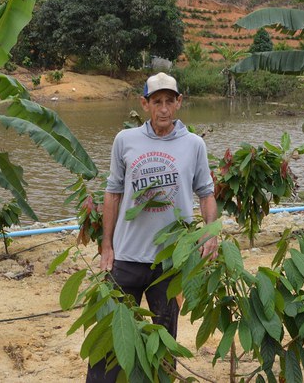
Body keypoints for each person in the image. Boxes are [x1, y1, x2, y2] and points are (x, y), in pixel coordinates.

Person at [87, 72, 219, 382]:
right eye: (156, 102)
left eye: (169, 101)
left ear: (179, 103)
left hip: (171, 262)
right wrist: (107, 245)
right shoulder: (125, 140)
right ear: (144, 104)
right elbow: (113, 192)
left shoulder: (194, 145)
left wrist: (211, 234)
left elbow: (207, 194)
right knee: (111, 335)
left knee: (162, 341)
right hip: (128, 257)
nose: (163, 109)